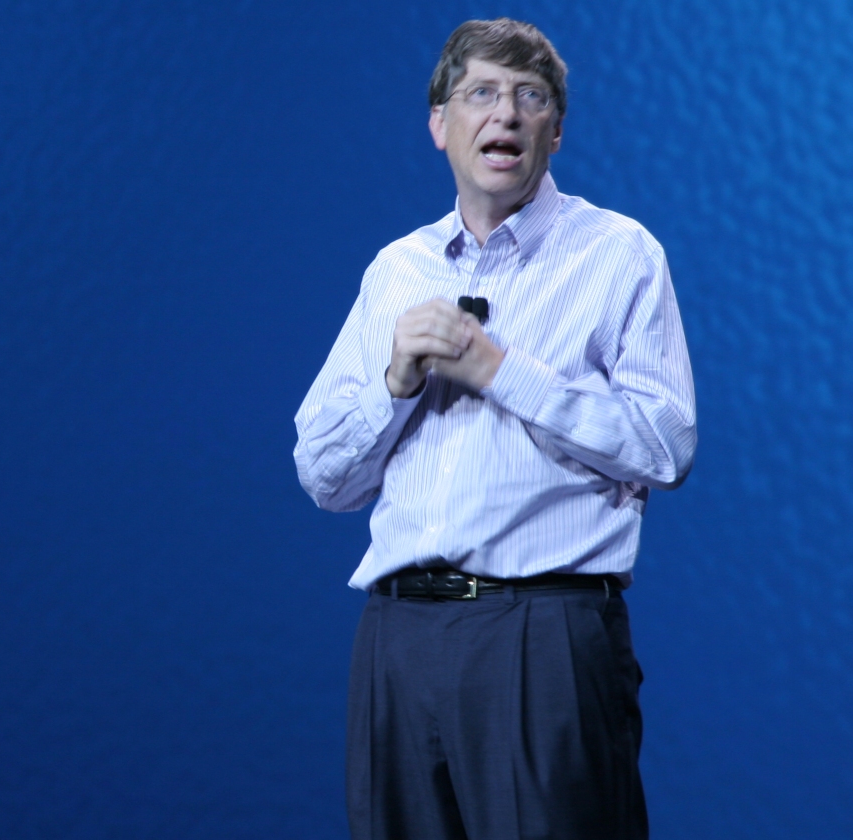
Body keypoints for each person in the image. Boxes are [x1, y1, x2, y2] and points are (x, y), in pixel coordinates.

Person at [293, 17, 696, 840]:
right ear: (440, 125)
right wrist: (395, 384)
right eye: (480, 93)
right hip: (398, 637)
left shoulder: (617, 255)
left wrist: (499, 372)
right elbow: (324, 476)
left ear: (556, 129)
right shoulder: (396, 270)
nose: (505, 114)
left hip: (541, 634)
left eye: (529, 97)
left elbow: (664, 444)